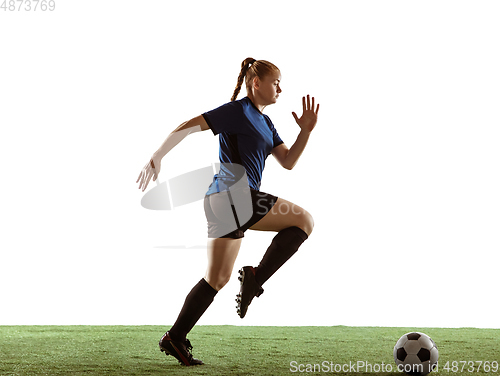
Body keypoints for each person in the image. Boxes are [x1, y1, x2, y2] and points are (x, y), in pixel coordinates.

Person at [136, 57, 319, 366]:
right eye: (276, 82)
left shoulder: (266, 122)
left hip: (228, 202)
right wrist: (158, 154)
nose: (280, 88)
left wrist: (306, 131)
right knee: (304, 220)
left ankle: (175, 338)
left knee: (217, 279)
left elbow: (287, 161)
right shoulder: (236, 111)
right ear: (256, 84)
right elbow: (189, 126)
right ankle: (254, 277)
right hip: (233, 196)